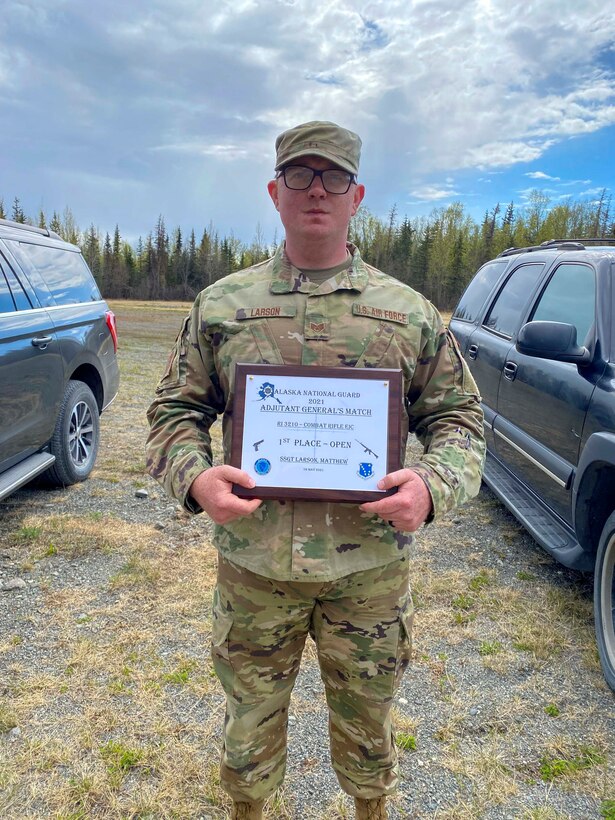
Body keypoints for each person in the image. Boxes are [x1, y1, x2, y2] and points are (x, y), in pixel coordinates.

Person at [146, 121, 485, 820]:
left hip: (367, 575)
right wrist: (194, 478)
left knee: (368, 732)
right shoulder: (223, 307)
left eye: (332, 177)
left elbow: (458, 421)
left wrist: (431, 486)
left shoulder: (406, 313)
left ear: (356, 196)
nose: (316, 191)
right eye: (299, 176)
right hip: (254, 570)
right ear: (275, 192)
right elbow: (174, 410)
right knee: (248, 731)